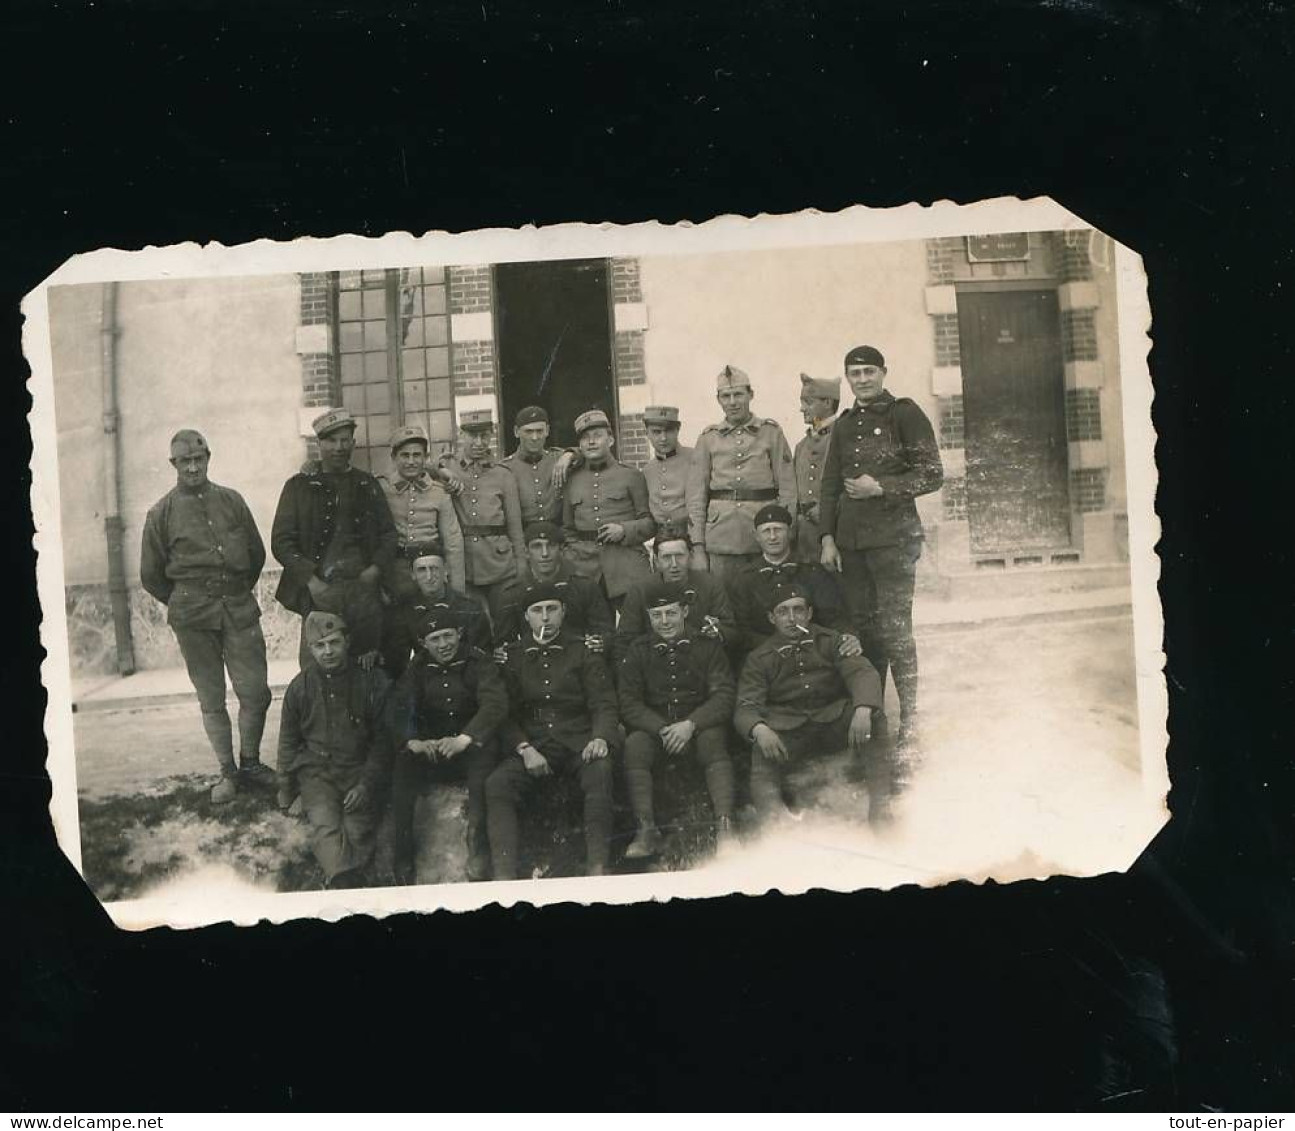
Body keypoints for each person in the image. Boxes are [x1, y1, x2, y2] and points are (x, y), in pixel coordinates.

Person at [819, 345, 943, 752]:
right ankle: (876, 717)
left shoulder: (904, 414)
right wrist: (827, 538)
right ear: (848, 378)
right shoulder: (843, 424)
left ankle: (911, 719)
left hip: (894, 541)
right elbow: (830, 485)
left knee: (896, 630)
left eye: (870, 371)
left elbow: (932, 474)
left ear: (884, 373)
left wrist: (883, 487)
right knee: (866, 631)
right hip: (853, 544)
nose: (863, 379)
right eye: (855, 373)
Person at [140, 429, 274, 803]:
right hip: (193, 618)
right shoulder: (160, 513)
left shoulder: (232, 501)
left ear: (209, 458)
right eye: (186, 461)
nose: (194, 467)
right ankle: (227, 772)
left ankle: (251, 763)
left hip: (238, 609)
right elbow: (151, 576)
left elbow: (256, 553)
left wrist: (233, 589)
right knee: (211, 697)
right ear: (174, 465)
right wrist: (187, 602)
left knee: (255, 692)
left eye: (200, 459)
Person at [485, 583, 619, 879]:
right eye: (537, 611)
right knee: (497, 784)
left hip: (578, 741)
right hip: (533, 744)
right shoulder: (512, 657)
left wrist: (600, 737)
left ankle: (598, 866)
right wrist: (524, 748)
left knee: (600, 771)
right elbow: (502, 713)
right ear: (526, 617)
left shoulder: (583, 651)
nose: (545, 618)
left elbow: (604, 702)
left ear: (564, 612)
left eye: (552, 609)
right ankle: (502, 877)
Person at [733, 586, 886, 823]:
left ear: (810, 613)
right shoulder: (759, 658)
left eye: (798, 610)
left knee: (874, 720)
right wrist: (759, 729)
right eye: (783, 612)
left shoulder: (831, 641)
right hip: (790, 731)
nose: (792, 619)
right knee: (761, 746)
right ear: (772, 618)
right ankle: (773, 827)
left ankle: (880, 808)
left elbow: (862, 673)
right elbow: (746, 705)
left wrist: (863, 708)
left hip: (832, 722)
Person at [386, 607, 507, 884]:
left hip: (470, 746)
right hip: (434, 749)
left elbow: (495, 703)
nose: (443, 645)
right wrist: (413, 740)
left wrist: (465, 738)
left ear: (460, 634)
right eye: (435, 639)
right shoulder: (417, 668)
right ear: (423, 644)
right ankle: (403, 859)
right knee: (403, 769)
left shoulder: (479, 662)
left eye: (448, 636)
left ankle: (477, 849)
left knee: (482, 778)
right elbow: (399, 708)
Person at [617, 580, 737, 859]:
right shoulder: (638, 650)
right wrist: (661, 728)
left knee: (713, 743)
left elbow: (724, 695)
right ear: (648, 617)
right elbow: (629, 701)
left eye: (670, 613)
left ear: (684, 611)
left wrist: (690, 724)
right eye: (656, 615)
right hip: (656, 728)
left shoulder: (707, 646)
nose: (664, 621)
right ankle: (646, 830)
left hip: (698, 725)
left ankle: (725, 827)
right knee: (635, 745)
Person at [271, 407, 397, 668]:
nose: (338, 447)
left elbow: (388, 534)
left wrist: (373, 571)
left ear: (353, 443)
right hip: (320, 591)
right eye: (331, 440)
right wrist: (311, 581)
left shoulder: (367, 484)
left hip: (363, 592)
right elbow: (281, 541)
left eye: (344, 440)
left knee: (367, 664)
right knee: (316, 667)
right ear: (318, 443)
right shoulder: (298, 486)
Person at [276, 611, 393, 889]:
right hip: (317, 773)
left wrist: (366, 784)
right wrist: (286, 789)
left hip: (358, 768)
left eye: (334, 643)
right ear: (310, 649)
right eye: (320, 645)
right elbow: (288, 741)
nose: (328, 651)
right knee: (325, 824)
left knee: (357, 826)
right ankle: (343, 883)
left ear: (347, 642)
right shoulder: (300, 687)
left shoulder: (372, 681)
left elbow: (383, 742)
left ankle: (352, 879)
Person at [686, 364, 797, 578]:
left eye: (738, 394)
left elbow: (787, 488)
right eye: (726, 396)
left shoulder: (770, 433)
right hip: (720, 537)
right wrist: (698, 546)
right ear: (718, 399)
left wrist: (787, 536)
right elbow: (696, 496)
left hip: (764, 535)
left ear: (751, 394)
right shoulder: (709, 438)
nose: (733, 402)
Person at [727, 504, 859, 660]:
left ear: (790, 532)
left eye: (778, 529)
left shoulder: (812, 571)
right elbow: (742, 631)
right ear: (756, 536)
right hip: (766, 657)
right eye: (766, 531)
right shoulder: (745, 578)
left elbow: (833, 617)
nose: (772, 537)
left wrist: (847, 635)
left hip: (812, 653)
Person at [561, 408, 655, 608]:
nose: (591, 442)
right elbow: (567, 529)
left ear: (611, 440)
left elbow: (650, 523)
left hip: (625, 565)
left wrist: (624, 530)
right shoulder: (572, 480)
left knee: (634, 626)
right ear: (580, 445)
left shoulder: (631, 475)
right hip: (585, 569)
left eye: (597, 436)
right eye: (585, 438)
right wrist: (576, 556)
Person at [444, 408, 528, 619]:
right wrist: (441, 471)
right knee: (474, 624)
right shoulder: (449, 468)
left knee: (503, 623)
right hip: (465, 565)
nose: (479, 442)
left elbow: (515, 526)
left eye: (484, 435)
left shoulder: (503, 474)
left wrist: (521, 566)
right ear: (461, 435)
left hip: (500, 564)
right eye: (473, 436)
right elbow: (423, 470)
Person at [615, 523, 736, 659]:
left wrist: (717, 632)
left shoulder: (710, 585)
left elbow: (731, 631)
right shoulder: (640, 590)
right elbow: (626, 639)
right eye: (666, 557)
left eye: (679, 556)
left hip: (701, 661)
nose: (674, 564)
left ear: (691, 556)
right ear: (656, 561)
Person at [492, 521, 614, 652]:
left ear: (561, 550)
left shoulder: (584, 588)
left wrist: (599, 643)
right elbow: (505, 645)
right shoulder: (513, 594)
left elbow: (605, 634)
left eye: (551, 545)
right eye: (537, 546)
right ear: (526, 552)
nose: (544, 553)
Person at [376, 422, 466, 594]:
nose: (411, 461)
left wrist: (457, 591)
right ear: (394, 457)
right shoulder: (382, 488)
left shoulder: (439, 491)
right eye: (405, 455)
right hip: (396, 570)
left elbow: (453, 543)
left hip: (432, 569)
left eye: (417, 455)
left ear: (426, 458)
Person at [381, 551, 492, 675]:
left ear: (445, 570)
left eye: (434, 569)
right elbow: (398, 659)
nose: (429, 577)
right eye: (422, 570)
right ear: (413, 574)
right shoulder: (404, 610)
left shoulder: (469, 608)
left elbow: (482, 655)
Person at [496, 405, 578, 527]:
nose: (535, 437)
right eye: (528, 432)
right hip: (524, 537)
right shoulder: (505, 468)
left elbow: (589, 454)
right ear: (516, 432)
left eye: (539, 431)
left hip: (557, 536)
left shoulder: (558, 458)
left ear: (547, 431)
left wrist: (571, 454)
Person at [793, 373, 841, 563]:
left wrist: (828, 509)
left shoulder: (843, 436)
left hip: (836, 534)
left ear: (828, 402)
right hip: (805, 541)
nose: (801, 408)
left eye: (808, 402)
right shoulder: (801, 446)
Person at [641, 404, 693, 529]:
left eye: (669, 431)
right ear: (647, 433)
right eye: (656, 432)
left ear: (678, 430)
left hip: (691, 534)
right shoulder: (648, 470)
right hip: (662, 538)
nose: (663, 438)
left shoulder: (695, 458)